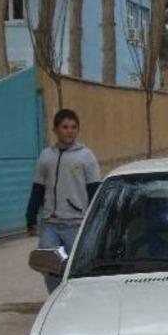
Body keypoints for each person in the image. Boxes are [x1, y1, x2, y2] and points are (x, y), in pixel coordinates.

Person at [26, 109, 102, 293]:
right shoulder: (46, 156)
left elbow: (94, 190)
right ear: (55, 130)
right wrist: (30, 216)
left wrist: (96, 220)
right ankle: (55, 298)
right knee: (49, 265)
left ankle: (80, 299)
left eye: (73, 127)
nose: (69, 131)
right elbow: (38, 188)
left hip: (76, 222)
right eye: (65, 127)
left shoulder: (86, 156)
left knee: (77, 267)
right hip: (50, 223)